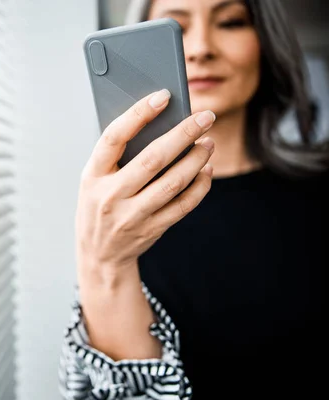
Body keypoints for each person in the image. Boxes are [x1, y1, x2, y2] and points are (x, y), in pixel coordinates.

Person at [59, 0, 329, 398]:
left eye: (231, 22)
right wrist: (103, 264)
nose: (201, 47)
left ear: (265, 44)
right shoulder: (120, 217)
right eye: (175, 26)